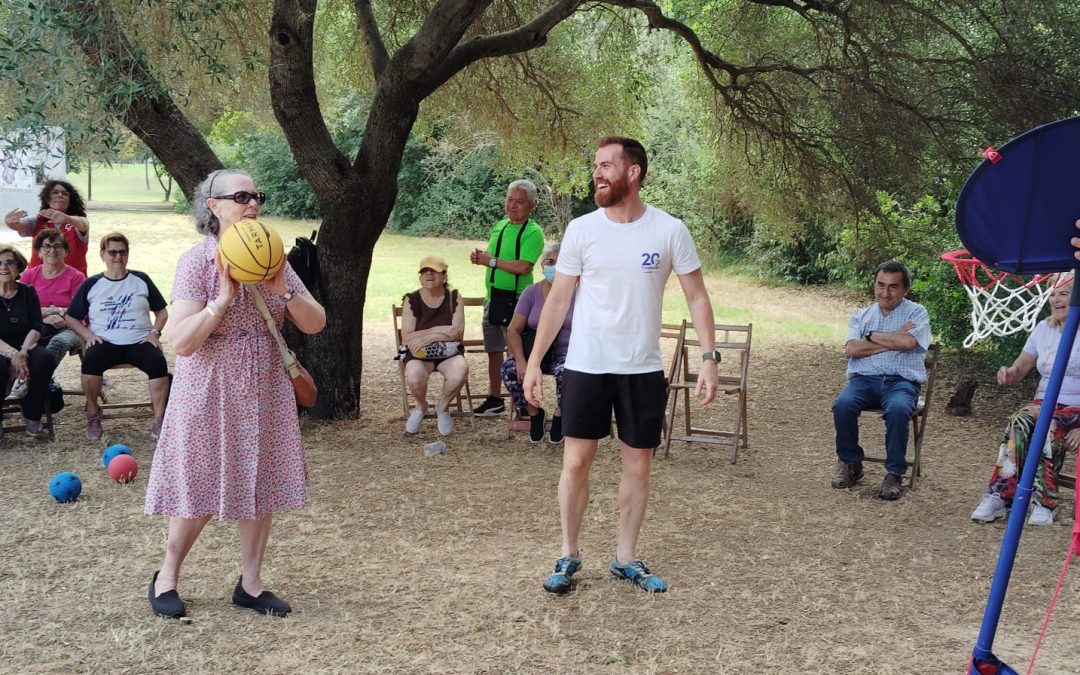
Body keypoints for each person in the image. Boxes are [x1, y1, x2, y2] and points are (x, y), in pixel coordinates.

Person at [523, 137, 718, 595]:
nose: (598, 173)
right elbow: (557, 302)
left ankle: (625, 557)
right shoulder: (583, 230)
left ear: (633, 172)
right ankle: (568, 554)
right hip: (587, 365)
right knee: (576, 462)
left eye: (607, 165)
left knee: (638, 465)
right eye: (596, 166)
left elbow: (697, 295)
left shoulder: (670, 230)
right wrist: (534, 362)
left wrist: (709, 358)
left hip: (642, 369)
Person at [143, 169, 325, 620]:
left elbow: (316, 322)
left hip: (264, 382)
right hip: (207, 387)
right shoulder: (196, 262)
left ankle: (251, 584)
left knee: (261, 482)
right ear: (213, 205)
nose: (252, 203)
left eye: (256, 195)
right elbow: (181, 342)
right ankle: (167, 575)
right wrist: (220, 301)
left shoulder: (274, 259)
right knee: (198, 484)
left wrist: (281, 288)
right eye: (240, 196)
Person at [970, 276, 1077, 526]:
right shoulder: (1044, 329)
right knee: (1019, 421)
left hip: (1076, 409)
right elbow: (1020, 368)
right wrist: (1009, 373)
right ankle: (999, 495)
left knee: (1046, 428)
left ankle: (1044, 501)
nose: (1056, 299)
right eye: (1053, 294)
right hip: (1044, 404)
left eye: (1064, 293)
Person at [831, 260, 932, 501]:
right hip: (864, 380)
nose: (885, 293)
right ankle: (851, 463)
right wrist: (893, 341)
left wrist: (871, 337)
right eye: (880, 285)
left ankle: (894, 473)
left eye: (893, 287)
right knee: (842, 406)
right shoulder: (861, 315)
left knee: (898, 410)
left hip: (901, 382)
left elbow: (909, 343)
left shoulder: (917, 312)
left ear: (905, 289)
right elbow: (852, 349)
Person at [64, 233, 170, 440]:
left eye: (123, 252)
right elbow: (71, 317)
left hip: (139, 341)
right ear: (103, 254)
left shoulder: (141, 279)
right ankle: (93, 412)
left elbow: (162, 312)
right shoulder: (92, 283)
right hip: (106, 342)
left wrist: (154, 332)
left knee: (158, 361)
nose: (118, 256)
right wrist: (87, 335)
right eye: (112, 252)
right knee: (91, 361)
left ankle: (160, 419)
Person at [469, 180, 544, 417]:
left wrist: (490, 261)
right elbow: (496, 258)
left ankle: (523, 403)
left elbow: (523, 267)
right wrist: (481, 258)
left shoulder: (533, 232)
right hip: (493, 298)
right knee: (493, 350)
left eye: (519, 202)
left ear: (532, 205)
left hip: (518, 302)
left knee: (516, 353)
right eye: (509, 199)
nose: (512, 205)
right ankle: (495, 399)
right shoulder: (500, 226)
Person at [501, 242, 574, 443]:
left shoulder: (579, 292)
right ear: (542, 266)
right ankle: (534, 413)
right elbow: (514, 329)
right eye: (550, 262)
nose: (554, 267)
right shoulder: (531, 293)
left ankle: (561, 413)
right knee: (509, 369)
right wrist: (521, 360)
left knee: (570, 372)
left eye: (560, 262)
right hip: (535, 351)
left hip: (566, 352)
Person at [400, 254, 468, 436]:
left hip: (449, 352)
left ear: (444, 276)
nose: (429, 274)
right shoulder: (411, 299)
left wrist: (430, 336)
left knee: (461, 369)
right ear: (420, 277)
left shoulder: (454, 297)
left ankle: (443, 407)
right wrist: (443, 331)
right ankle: (421, 406)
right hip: (418, 352)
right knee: (414, 375)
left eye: (434, 270)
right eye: (424, 271)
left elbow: (458, 333)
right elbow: (406, 337)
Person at [0, 246, 58, 438]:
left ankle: (32, 414)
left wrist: (23, 351)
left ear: (18, 266)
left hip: (27, 343)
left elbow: (36, 326)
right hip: (1, 348)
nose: (4, 267)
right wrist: (13, 355)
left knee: (44, 359)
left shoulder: (28, 292)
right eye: (0, 263)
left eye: (9, 262)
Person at [18, 230, 86, 368]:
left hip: (70, 328)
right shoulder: (29, 276)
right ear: (39, 252)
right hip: (38, 325)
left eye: (57, 246)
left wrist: (55, 312)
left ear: (65, 251)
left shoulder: (76, 277)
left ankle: (40, 377)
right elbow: (20, 309)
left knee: (59, 342)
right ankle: (21, 382)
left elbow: (78, 311)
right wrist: (44, 317)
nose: (52, 250)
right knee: (20, 339)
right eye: (47, 246)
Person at [3, 180, 90, 275]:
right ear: (47, 199)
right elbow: (19, 225)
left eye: (65, 193)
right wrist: (9, 222)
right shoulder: (38, 220)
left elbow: (83, 224)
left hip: (72, 282)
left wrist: (66, 218)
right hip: (39, 281)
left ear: (70, 201)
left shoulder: (76, 221)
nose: (60, 195)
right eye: (55, 192)